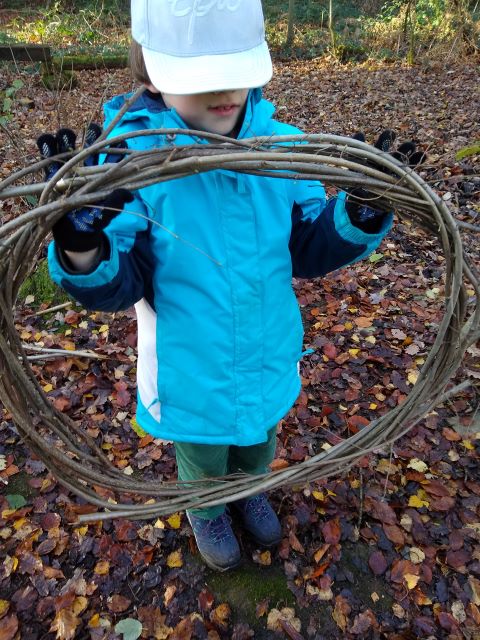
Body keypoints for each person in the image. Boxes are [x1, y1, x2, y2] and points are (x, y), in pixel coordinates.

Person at [40, 0, 399, 572]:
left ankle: (248, 486)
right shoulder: (130, 166)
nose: (223, 91)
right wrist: (83, 244)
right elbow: (121, 283)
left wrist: (358, 212)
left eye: (236, 72)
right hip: (190, 363)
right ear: (152, 72)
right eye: (202, 79)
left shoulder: (280, 151)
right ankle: (206, 505)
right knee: (203, 450)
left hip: (266, 344)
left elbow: (306, 246)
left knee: (258, 437)